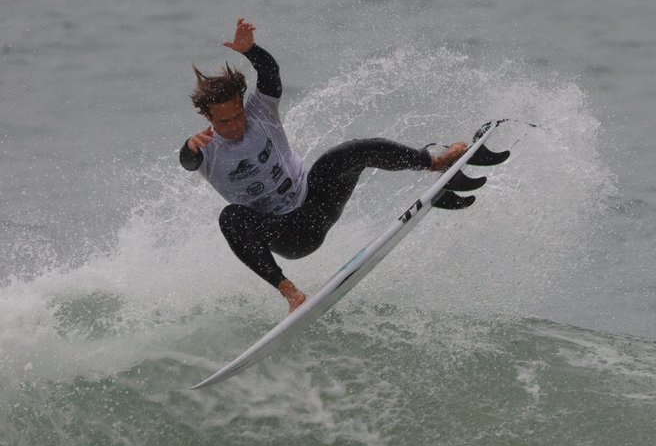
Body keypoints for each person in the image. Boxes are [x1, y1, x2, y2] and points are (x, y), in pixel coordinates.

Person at [179, 19, 472, 313]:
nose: (233, 126)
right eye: (223, 122)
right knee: (230, 218)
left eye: (236, 116)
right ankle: (291, 293)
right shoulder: (205, 149)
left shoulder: (260, 111)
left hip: (316, 201)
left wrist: (251, 50)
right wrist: (189, 148)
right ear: (208, 119)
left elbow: (270, 74)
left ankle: (434, 162)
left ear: (242, 106)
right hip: (286, 234)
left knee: (352, 150)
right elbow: (187, 160)